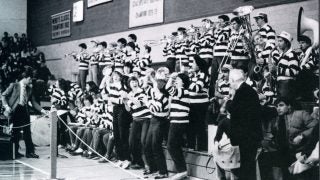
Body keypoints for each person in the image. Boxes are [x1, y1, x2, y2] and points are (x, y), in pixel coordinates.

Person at [2, 67, 48, 158]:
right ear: (26, 78)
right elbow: (3, 95)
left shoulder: (29, 89)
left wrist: (43, 110)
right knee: (15, 132)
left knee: (27, 131)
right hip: (15, 110)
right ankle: (14, 152)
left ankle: (29, 152)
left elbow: (33, 102)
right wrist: (6, 107)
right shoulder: (14, 85)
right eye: (30, 79)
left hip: (24, 110)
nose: (30, 81)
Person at [228, 69, 262, 180]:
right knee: (247, 168)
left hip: (245, 137)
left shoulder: (242, 92)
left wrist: (229, 100)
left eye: (229, 80)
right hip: (250, 136)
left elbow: (234, 110)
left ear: (233, 80)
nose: (229, 83)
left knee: (245, 169)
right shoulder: (248, 90)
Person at [165, 72, 190, 180]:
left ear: (183, 82)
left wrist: (171, 77)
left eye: (177, 79)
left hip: (178, 122)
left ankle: (182, 171)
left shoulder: (182, 90)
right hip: (177, 121)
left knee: (171, 146)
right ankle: (182, 171)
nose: (175, 80)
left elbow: (167, 87)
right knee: (174, 146)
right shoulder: (181, 91)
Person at [273, 31, 299, 99]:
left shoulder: (292, 54)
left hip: (287, 85)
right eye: (278, 41)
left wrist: (277, 69)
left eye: (281, 41)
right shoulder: (282, 55)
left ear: (287, 43)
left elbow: (293, 72)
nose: (278, 43)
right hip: (281, 84)